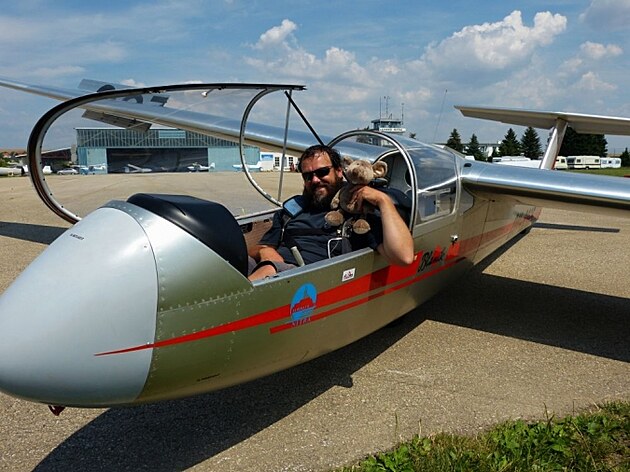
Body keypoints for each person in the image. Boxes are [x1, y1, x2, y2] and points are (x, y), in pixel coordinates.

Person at [248, 144, 414, 280]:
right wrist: (264, 251)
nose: (315, 180)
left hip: (305, 280)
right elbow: (258, 247)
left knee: (269, 269)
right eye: (308, 176)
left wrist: (383, 200)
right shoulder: (292, 211)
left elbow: (404, 257)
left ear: (339, 171)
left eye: (322, 172)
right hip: (270, 270)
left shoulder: (358, 213)